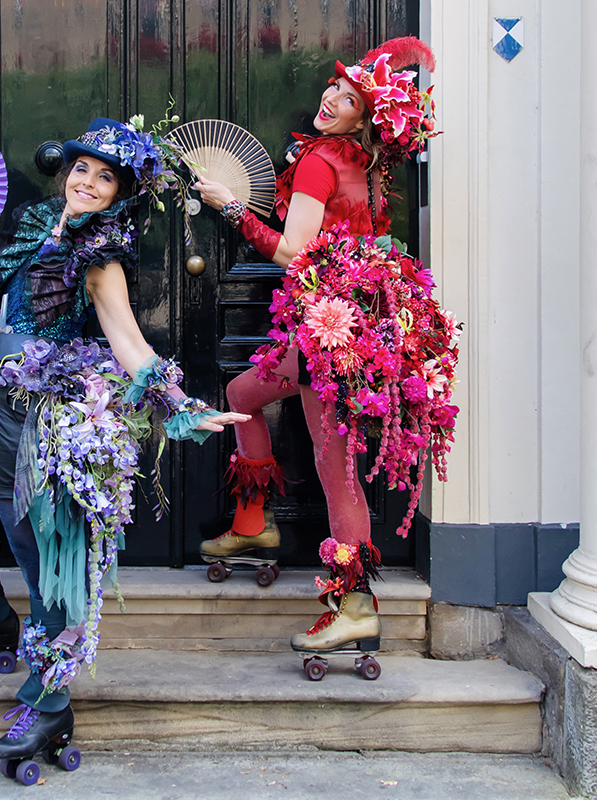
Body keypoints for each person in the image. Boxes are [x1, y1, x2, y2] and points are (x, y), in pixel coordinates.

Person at [0, 117, 248, 770]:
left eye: (105, 176)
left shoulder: (100, 254)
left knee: (46, 569)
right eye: (82, 168)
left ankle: (50, 704)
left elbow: (128, 339)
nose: (88, 181)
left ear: (120, 192)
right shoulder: (38, 225)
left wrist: (179, 405)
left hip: (42, 427)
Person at [193, 37, 448, 659]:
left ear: (364, 119)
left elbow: (292, 252)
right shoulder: (364, 165)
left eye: (349, 98)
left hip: (325, 336)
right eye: (335, 87)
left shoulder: (318, 162)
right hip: (337, 329)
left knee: (336, 467)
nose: (332, 98)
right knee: (241, 394)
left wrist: (230, 207)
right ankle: (252, 525)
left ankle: (354, 607)